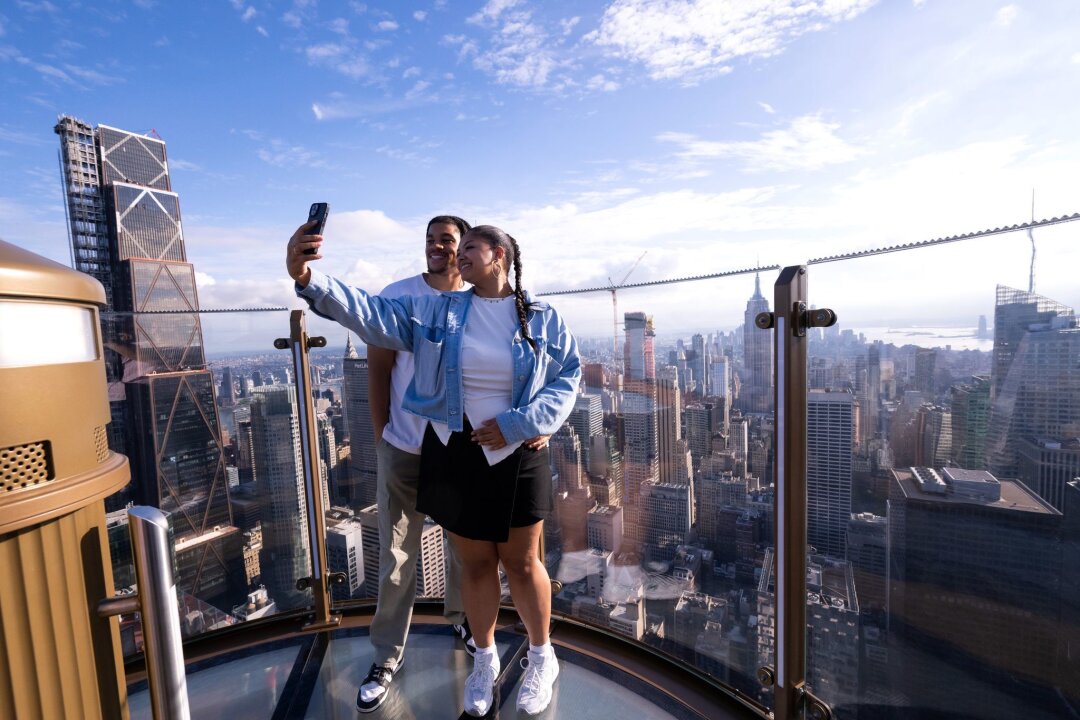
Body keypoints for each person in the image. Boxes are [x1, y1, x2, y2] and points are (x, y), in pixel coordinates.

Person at [287, 222, 580, 717]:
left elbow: (568, 375)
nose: (459, 256)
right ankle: (484, 661)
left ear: (501, 256)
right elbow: (372, 315)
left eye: (471, 247)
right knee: (477, 564)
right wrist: (309, 278)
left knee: (524, 564)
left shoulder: (542, 316)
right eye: (457, 248)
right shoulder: (440, 312)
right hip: (456, 449)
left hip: (517, 451)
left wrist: (521, 422)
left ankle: (540, 656)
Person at [357, 215, 475, 713]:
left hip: (457, 448)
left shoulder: (479, 299)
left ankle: (465, 621)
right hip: (404, 446)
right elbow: (379, 369)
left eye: (446, 241)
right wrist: (384, 435)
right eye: (430, 240)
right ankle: (387, 657)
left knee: (465, 548)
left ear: (463, 247)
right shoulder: (397, 295)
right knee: (397, 555)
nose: (436, 248)